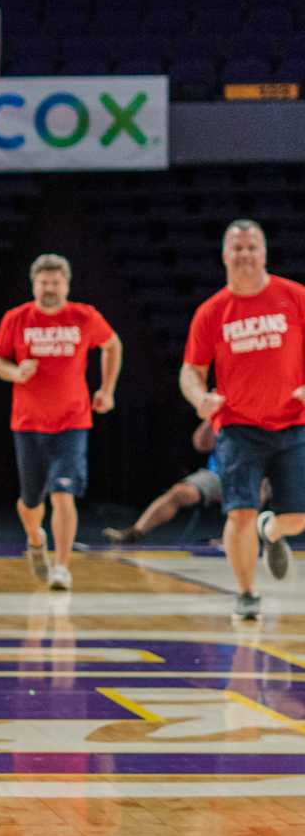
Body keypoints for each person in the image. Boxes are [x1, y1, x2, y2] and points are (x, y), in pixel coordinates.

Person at [181, 219, 305, 620]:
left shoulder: (294, 297)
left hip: (293, 421)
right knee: (239, 511)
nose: (245, 255)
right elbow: (191, 370)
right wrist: (200, 398)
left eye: (252, 247)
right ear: (225, 255)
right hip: (237, 426)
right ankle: (247, 593)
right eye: (238, 248)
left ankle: (272, 532)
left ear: (265, 252)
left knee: (297, 518)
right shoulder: (212, 312)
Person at [0, 253, 120, 591]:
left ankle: (62, 566)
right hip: (29, 422)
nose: (50, 289)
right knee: (31, 502)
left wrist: (106, 389)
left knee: (64, 493)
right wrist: (16, 372)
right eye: (44, 282)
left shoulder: (83, 316)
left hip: (72, 421)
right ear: (34, 284)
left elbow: (112, 344)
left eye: (56, 282)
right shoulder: (17, 319)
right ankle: (35, 539)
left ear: (67, 284)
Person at [104, 423, 223, 544]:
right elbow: (202, 445)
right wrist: (210, 419)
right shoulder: (223, 413)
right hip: (218, 474)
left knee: (240, 503)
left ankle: (233, 539)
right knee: (180, 492)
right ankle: (134, 533)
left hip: (241, 477)